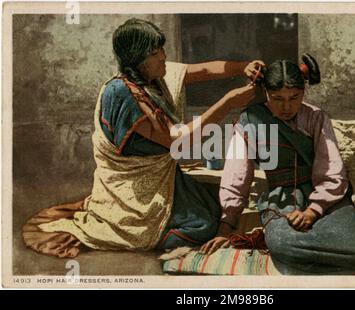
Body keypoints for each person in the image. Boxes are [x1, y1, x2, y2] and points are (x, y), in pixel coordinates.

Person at [22, 18, 264, 258]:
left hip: (162, 178)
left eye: (162, 50)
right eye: (155, 53)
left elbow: (202, 70)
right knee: (203, 227)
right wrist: (228, 103)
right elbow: (176, 140)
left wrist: (243, 66)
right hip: (136, 192)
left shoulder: (152, 79)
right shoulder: (122, 94)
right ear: (138, 59)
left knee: (215, 206)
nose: (162, 57)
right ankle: (142, 234)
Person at [200, 57, 355, 273]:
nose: (286, 107)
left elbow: (332, 171)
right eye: (277, 99)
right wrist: (226, 226)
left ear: (304, 92)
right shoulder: (250, 122)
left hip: (324, 196)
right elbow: (236, 176)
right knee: (283, 244)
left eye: (294, 98)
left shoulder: (315, 117)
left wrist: (313, 211)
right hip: (282, 201)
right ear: (265, 92)